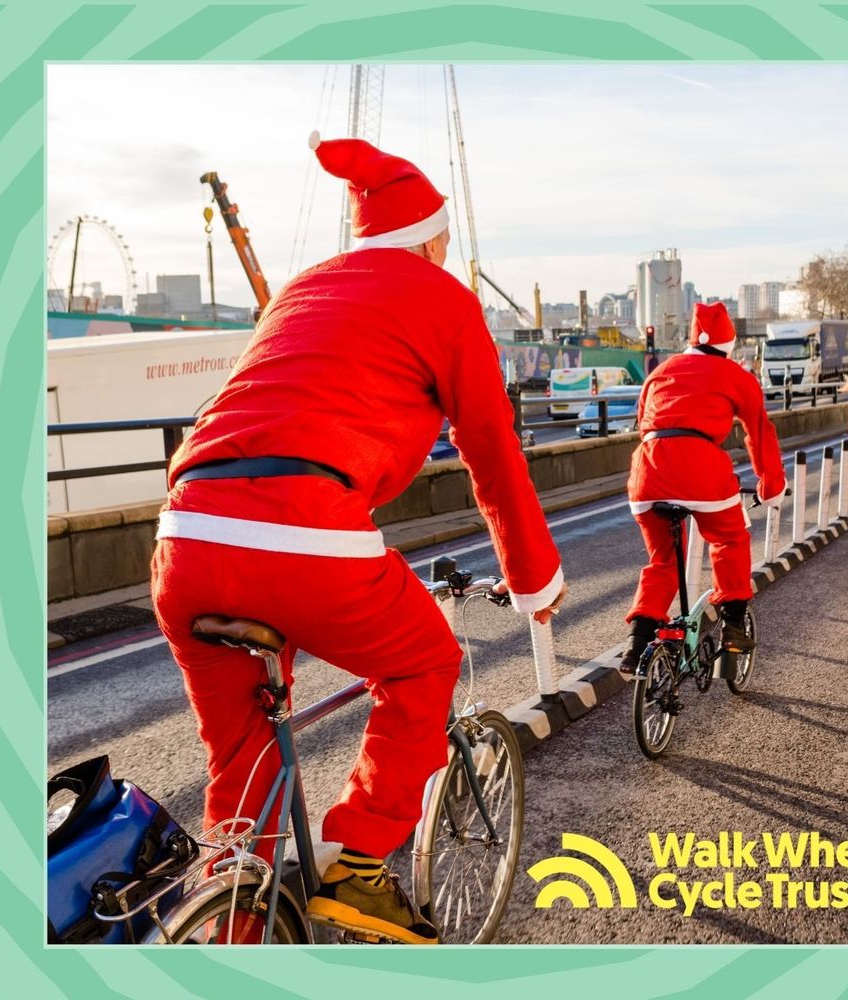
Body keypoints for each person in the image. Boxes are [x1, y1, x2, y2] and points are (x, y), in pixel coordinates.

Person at [150, 134, 566, 944]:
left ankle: (236, 922)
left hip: (186, 531)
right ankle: (358, 861)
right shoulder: (443, 298)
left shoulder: (304, 288)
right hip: (302, 526)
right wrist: (533, 578)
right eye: (443, 238)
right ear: (430, 237)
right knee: (424, 660)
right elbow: (490, 446)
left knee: (241, 754)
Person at [621, 302, 786, 675]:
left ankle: (637, 644)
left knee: (663, 560)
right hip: (701, 469)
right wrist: (771, 486)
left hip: (648, 469)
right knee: (729, 538)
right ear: (729, 344)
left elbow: (643, 420)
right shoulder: (735, 375)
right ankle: (732, 623)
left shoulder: (661, 371)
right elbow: (759, 432)